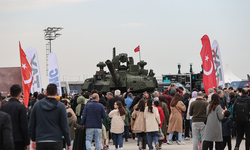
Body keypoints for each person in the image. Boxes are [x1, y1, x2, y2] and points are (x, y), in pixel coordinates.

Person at [29, 84, 71, 150]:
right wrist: (68, 143)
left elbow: (31, 124)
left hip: (41, 140)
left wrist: (33, 139)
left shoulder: (37, 105)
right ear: (57, 93)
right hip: (56, 140)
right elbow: (65, 126)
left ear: (46, 93)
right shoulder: (61, 106)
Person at [0, 85, 30, 150]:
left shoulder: (3, 106)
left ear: (10, 93)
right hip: (19, 140)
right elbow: (24, 126)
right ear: (19, 94)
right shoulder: (21, 107)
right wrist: (27, 142)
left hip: (5, 139)